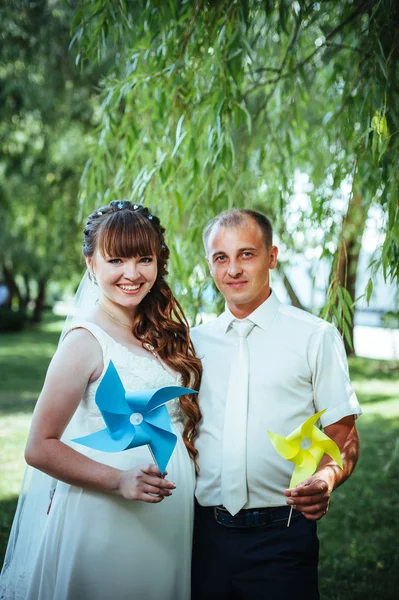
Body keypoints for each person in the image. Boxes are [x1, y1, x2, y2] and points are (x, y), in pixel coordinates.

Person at [0, 200, 201, 600]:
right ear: (91, 263)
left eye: (144, 259)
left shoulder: (159, 333)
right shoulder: (83, 340)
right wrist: (120, 481)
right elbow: (38, 447)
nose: (132, 273)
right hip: (107, 516)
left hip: (167, 517)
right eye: (117, 260)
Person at [190, 208, 361, 600]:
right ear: (210, 265)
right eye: (221, 257)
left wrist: (326, 478)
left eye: (246, 254)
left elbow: (345, 434)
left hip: (282, 536)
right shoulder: (193, 344)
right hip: (203, 538)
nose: (233, 269)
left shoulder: (315, 337)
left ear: (272, 255)